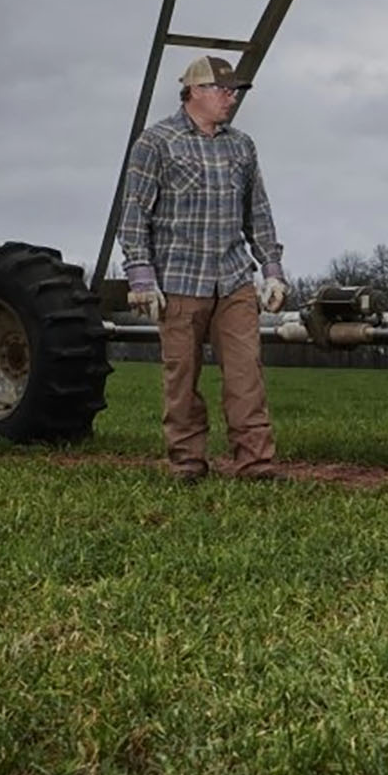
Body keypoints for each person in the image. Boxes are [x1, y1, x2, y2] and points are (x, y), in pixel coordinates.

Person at [119, 55, 289, 481]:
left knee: (246, 376)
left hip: (233, 281)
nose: (231, 99)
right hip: (179, 282)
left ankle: (256, 463)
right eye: (223, 90)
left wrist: (271, 270)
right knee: (182, 378)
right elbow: (135, 213)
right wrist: (141, 276)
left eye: (236, 91)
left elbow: (259, 213)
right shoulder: (155, 143)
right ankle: (188, 462)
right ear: (194, 90)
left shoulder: (241, 146)